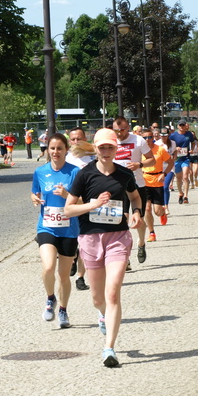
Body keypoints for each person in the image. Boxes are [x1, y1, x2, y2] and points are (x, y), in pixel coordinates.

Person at [63, 128, 142, 368]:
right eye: (102, 147)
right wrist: (93, 204)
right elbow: (68, 210)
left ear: (116, 148)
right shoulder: (84, 175)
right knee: (98, 298)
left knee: (113, 292)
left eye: (110, 147)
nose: (106, 151)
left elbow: (136, 197)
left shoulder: (124, 174)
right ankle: (102, 314)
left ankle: (109, 348)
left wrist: (137, 212)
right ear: (95, 149)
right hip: (90, 239)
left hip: (118, 237)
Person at [30, 133, 79, 328]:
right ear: (47, 150)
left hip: (69, 229)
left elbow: (84, 201)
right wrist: (34, 198)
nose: (56, 152)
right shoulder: (40, 172)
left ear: (66, 150)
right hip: (47, 226)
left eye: (60, 148)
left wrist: (68, 195)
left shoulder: (75, 172)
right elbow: (35, 192)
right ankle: (50, 298)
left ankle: (63, 311)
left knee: (64, 276)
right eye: (52, 148)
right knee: (48, 267)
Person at [111, 116, 155, 264]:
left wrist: (139, 165)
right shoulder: (110, 141)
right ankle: (125, 256)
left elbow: (152, 159)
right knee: (121, 219)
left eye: (122, 130)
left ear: (128, 127)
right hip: (117, 186)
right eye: (116, 130)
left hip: (137, 184)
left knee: (139, 219)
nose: (119, 133)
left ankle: (141, 243)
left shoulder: (138, 140)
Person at [65, 127, 96, 291]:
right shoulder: (66, 159)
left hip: (89, 204)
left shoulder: (94, 157)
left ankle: (80, 277)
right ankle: (73, 257)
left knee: (85, 242)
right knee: (73, 241)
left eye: (79, 138)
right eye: (73, 139)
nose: (76, 142)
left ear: (86, 139)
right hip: (71, 204)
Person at [140, 126, 172, 241]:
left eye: (150, 137)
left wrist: (164, 174)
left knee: (157, 211)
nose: (148, 139)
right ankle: (152, 233)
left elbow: (170, 163)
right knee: (147, 209)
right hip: (144, 181)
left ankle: (162, 213)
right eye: (145, 137)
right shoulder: (139, 151)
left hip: (157, 181)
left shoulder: (160, 150)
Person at [170, 119, 198, 204]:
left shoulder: (189, 134)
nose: (182, 127)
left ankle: (186, 196)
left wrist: (192, 150)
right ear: (177, 126)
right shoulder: (173, 135)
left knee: (185, 176)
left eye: (183, 125)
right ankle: (180, 193)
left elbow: (193, 143)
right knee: (179, 178)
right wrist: (175, 148)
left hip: (185, 158)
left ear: (185, 126)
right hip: (177, 158)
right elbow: (169, 145)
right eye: (180, 125)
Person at [184, 121, 198, 188]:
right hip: (188, 156)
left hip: (195, 156)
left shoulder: (195, 141)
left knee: (195, 171)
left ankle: (196, 179)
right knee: (190, 172)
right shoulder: (185, 138)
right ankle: (192, 183)